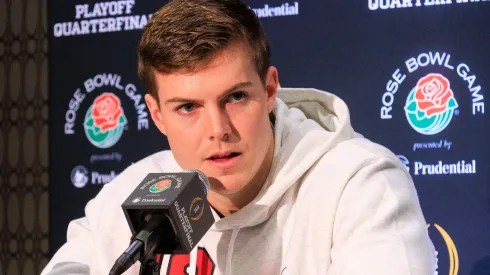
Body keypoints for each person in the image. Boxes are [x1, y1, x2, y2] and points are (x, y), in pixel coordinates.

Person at [41, 0, 436, 274]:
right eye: (188, 108)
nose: (218, 130)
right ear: (157, 115)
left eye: (235, 97)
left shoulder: (358, 185)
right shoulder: (134, 194)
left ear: (269, 91)